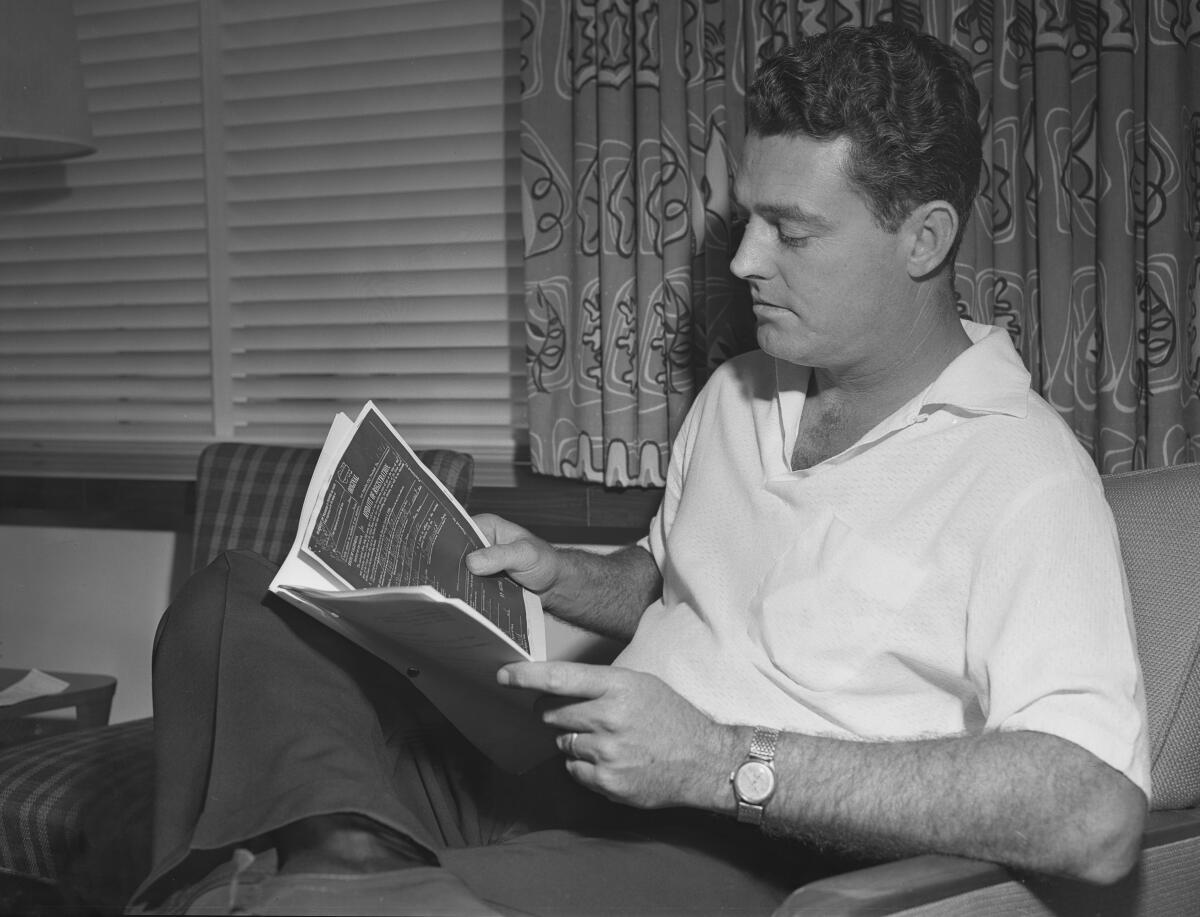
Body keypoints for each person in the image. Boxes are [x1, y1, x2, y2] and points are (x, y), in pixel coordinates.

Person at [129, 22, 1149, 916]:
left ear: (924, 237)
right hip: (569, 762)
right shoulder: (743, 389)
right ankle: (354, 860)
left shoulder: (1022, 472)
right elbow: (675, 578)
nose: (746, 259)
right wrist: (562, 573)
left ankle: (343, 880)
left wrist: (720, 764)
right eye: (749, 215)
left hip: (732, 850)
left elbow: (1096, 810)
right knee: (237, 600)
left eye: (791, 230)